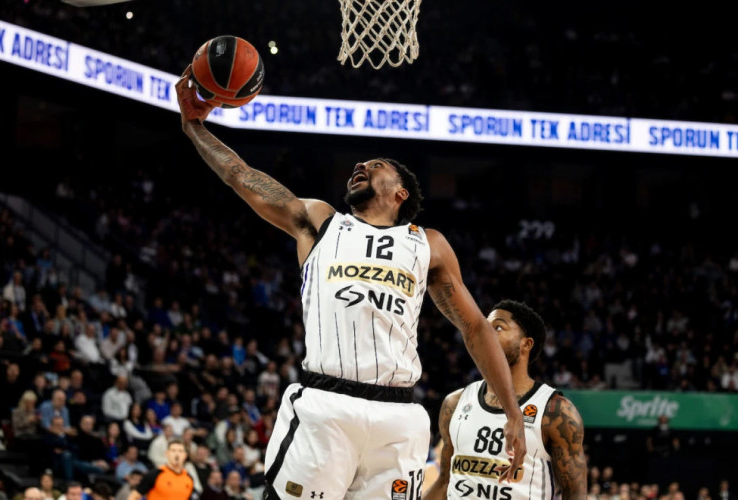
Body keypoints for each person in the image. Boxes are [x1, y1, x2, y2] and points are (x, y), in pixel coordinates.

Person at [175, 66, 526, 499]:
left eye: (375, 166)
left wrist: (512, 411)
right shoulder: (320, 221)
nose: (360, 165)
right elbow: (241, 175)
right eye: (359, 164)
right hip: (325, 406)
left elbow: (475, 328)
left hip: (397, 418)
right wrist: (195, 128)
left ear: (400, 192)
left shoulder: (428, 244)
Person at [423, 300, 587, 500]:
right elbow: (444, 482)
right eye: (485, 327)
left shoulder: (555, 411)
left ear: (526, 344)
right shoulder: (455, 402)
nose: (486, 334)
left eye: (498, 327)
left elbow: (575, 494)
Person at [128, 438, 194, 500]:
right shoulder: (155, 474)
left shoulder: (189, 478)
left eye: (180, 451)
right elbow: (133, 496)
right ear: (167, 453)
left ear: (185, 455)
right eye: (173, 450)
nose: (177, 454)